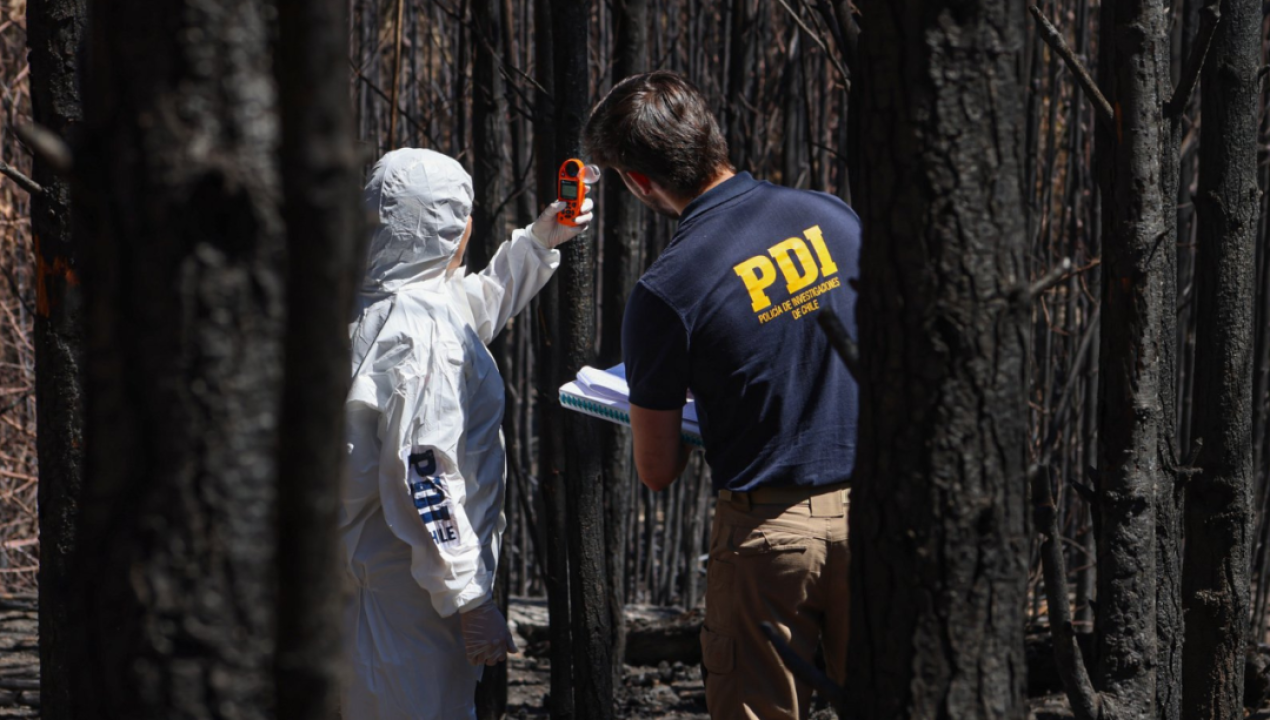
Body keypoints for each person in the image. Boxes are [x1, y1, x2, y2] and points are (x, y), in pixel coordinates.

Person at [583, 71, 860, 720]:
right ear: (710, 135)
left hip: (769, 536)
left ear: (639, 182)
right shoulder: (835, 216)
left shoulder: (667, 291)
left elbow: (657, 469)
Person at [342, 148, 593, 719]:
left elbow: (464, 311)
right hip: (408, 603)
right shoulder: (420, 337)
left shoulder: (375, 304)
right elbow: (424, 477)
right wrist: (469, 597)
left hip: (368, 581)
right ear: (448, 229)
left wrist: (538, 243)